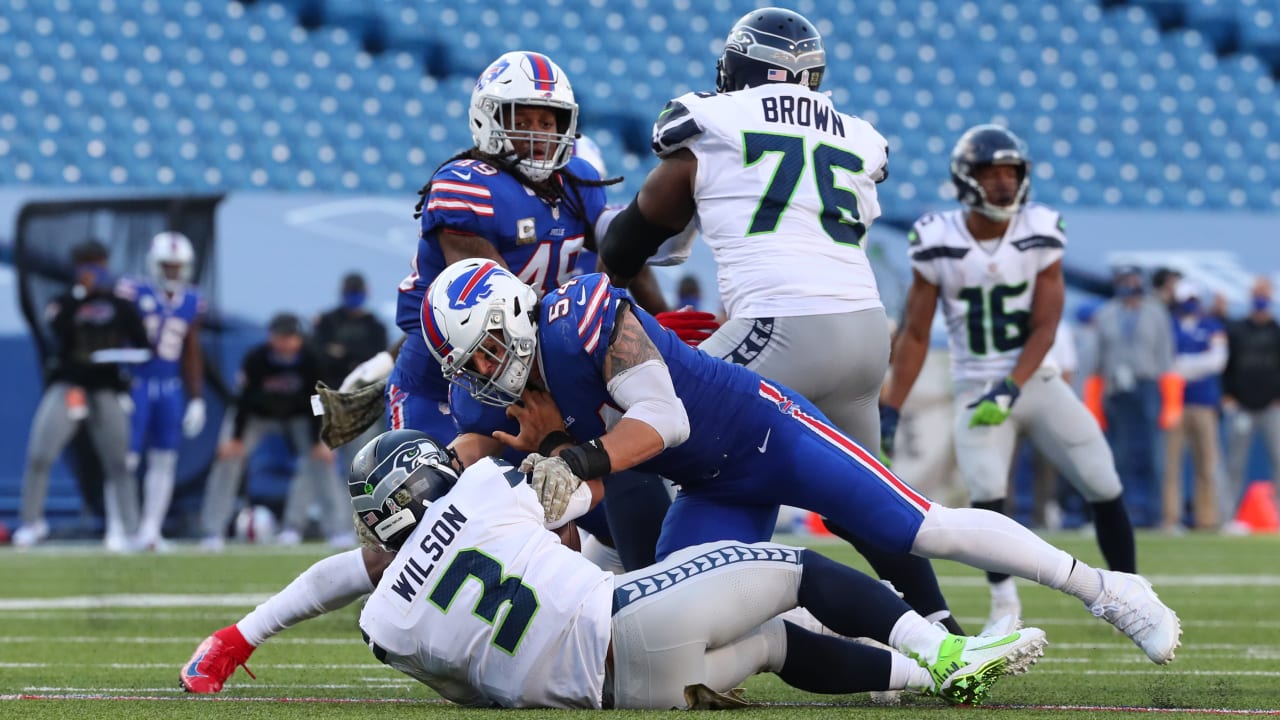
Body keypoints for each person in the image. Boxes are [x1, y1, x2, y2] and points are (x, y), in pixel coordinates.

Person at [424, 258, 1183, 667]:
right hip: (710, 485)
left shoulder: (580, 315)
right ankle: (909, 660)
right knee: (693, 621)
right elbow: (565, 479)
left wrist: (578, 460)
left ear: (516, 315)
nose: (486, 369)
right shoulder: (515, 399)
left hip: (764, 429)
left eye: (489, 346)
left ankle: (1107, 589)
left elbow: (663, 417)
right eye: (471, 364)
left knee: (923, 528)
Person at [595, 7, 960, 635]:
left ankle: (640, 600)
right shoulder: (854, 134)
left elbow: (631, 239)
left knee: (625, 423)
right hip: (867, 334)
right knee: (862, 499)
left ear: (735, 69)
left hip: (782, 328)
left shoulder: (713, 122)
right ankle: (943, 626)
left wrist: (620, 266)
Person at [357, 429, 1046, 708]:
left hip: (618, 699)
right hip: (626, 620)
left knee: (773, 644)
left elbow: (470, 694)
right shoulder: (478, 491)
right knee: (795, 569)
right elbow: (575, 506)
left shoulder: (382, 625)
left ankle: (927, 680)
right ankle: (945, 649)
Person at [879, 125, 1137, 633]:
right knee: (987, 489)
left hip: (1033, 381)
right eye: (990, 172)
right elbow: (914, 334)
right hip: (977, 386)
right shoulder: (938, 238)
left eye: (1010, 172)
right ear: (966, 179)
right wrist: (892, 406)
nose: (1002, 182)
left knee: (1103, 481)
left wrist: (1012, 384)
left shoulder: (1040, 228)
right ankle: (1004, 605)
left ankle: (1131, 593)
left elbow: (1045, 326)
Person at [13, 240, 151, 550]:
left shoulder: (121, 306)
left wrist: (123, 370)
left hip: (106, 389)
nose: (92, 271)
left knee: (119, 462)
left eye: (96, 264)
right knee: (40, 454)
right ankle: (31, 522)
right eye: (86, 265)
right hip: (71, 386)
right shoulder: (64, 302)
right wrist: (80, 296)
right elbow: (56, 331)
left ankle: (131, 529)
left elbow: (144, 346)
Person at [198, 313, 346, 549]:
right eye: (281, 337)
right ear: (271, 338)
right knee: (228, 458)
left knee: (322, 459)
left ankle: (324, 528)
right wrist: (236, 439)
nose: (286, 343)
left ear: (299, 339)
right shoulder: (257, 359)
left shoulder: (311, 360)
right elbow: (243, 401)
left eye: (291, 337)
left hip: (299, 417)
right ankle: (213, 531)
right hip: (259, 416)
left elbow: (319, 402)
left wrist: (320, 439)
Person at [114, 231, 207, 551]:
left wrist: (196, 397)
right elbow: (114, 337)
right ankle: (118, 528)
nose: (173, 272)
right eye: (167, 266)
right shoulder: (132, 291)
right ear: (154, 265)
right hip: (136, 384)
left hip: (170, 387)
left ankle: (150, 530)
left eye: (177, 266)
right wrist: (118, 383)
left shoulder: (192, 299)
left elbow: (191, 351)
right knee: (123, 459)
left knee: (164, 460)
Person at [1088, 267, 1176, 527]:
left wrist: (1170, 400)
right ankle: (1121, 514)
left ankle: (1155, 514)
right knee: (1119, 453)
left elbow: (1166, 358)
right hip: (1115, 388)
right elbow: (1096, 361)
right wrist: (1093, 400)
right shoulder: (1106, 313)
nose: (1129, 285)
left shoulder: (1156, 313)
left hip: (1147, 385)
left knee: (1152, 453)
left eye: (1133, 280)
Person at [1162, 281, 1228, 532]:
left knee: (1208, 462)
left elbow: (1217, 361)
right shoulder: (1168, 325)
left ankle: (1207, 518)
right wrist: (1193, 365)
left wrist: (1184, 367)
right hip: (1174, 403)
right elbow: (1166, 362)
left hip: (1204, 402)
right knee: (1171, 463)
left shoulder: (1211, 325)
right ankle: (1171, 517)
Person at [312, 271, 388, 465]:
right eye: (350, 292)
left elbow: (377, 361)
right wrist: (354, 358)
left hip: (360, 401)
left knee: (361, 462)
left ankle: (354, 496)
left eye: (357, 292)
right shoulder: (327, 321)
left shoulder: (375, 326)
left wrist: (342, 352)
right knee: (317, 456)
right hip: (327, 397)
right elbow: (318, 356)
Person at [1221, 276, 1280, 526]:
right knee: (1235, 463)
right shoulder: (1237, 330)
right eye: (1257, 294)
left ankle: (1277, 515)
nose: (1260, 299)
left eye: (1264, 294)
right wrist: (1228, 395)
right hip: (1242, 406)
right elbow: (1226, 365)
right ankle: (1229, 517)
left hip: (1272, 407)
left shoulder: (1276, 331)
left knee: (1278, 459)